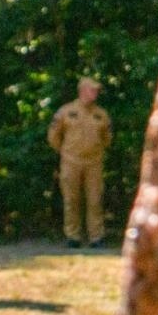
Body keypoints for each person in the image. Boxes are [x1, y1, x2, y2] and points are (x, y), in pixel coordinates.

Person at [48, 76, 111, 247]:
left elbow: (107, 138)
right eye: (92, 90)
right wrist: (65, 152)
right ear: (83, 91)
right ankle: (73, 236)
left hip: (94, 162)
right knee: (71, 199)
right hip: (70, 162)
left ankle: (96, 237)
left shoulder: (101, 114)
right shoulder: (66, 112)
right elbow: (53, 136)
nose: (95, 93)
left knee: (95, 199)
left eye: (97, 90)